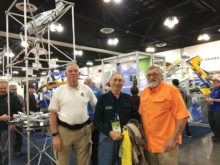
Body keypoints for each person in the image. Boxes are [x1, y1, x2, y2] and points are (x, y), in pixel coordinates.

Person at [139, 66, 190, 165]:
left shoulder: (172, 90)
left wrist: (173, 138)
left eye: (155, 74)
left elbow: (182, 117)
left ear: (161, 76)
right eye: (149, 75)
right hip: (148, 146)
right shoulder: (144, 93)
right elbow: (143, 117)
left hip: (166, 145)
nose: (152, 77)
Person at [49, 63, 97, 165]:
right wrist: (55, 135)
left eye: (75, 71)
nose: (73, 73)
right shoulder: (59, 91)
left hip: (83, 133)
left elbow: (96, 105)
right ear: (66, 74)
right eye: (70, 71)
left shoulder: (87, 89)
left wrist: (94, 123)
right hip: (63, 133)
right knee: (62, 162)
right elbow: (53, 114)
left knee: (84, 162)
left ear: (79, 73)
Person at [93, 72, 140, 165]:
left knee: (125, 162)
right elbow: (96, 121)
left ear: (123, 82)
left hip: (125, 137)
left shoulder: (127, 98)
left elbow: (136, 117)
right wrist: (110, 132)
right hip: (107, 137)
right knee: (106, 162)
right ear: (110, 81)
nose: (117, 83)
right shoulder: (103, 98)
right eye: (114, 80)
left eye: (120, 80)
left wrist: (130, 127)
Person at [0, 80, 22, 165]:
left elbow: (19, 112)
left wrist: (13, 123)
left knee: (6, 149)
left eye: (4, 88)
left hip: (7, 127)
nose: (2, 89)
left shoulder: (13, 97)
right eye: (0, 88)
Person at [84, 77, 102, 165]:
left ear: (84, 83)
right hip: (95, 121)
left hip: (84, 121)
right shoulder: (98, 92)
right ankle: (95, 162)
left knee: (83, 144)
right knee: (95, 144)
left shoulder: (82, 91)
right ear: (91, 83)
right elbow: (101, 107)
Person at [9, 84, 25, 157]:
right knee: (9, 136)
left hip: (19, 119)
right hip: (9, 119)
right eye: (13, 89)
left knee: (19, 135)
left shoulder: (20, 97)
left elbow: (23, 107)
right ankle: (8, 150)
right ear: (9, 90)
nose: (14, 90)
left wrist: (24, 116)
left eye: (15, 89)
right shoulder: (7, 98)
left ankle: (17, 150)